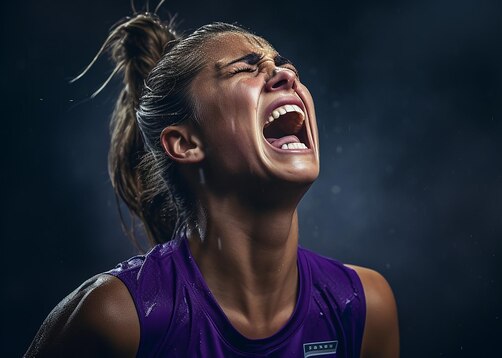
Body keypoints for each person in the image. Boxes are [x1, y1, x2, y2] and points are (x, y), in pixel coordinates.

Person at [26, 11, 399, 357]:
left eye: (285, 66)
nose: (287, 75)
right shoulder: (115, 318)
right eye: (244, 70)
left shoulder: (364, 307)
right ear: (186, 143)